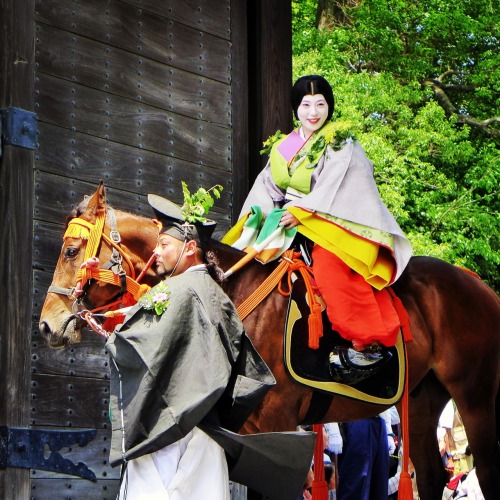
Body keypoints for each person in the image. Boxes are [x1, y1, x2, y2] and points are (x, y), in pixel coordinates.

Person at [105, 189, 316, 499]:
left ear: (190, 248)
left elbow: (146, 353)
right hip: (201, 437)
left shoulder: (184, 290)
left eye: (165, 245)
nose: (157, 253)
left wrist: (113, 336)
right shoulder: (212, 292)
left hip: (170, 438)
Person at [223, 75, 412, 384]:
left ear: (329, 107)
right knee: (244, 262)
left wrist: (304, 212)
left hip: (326, 223)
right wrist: (264, 214)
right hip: (284, 223)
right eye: (306, 104)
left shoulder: (341, 142)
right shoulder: (285, 146)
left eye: (320, 104)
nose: (313, 112)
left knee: (331, 268)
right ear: (295, 109)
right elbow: (267, 187)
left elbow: (343, 185)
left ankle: (368, 345)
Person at [336, 412, 394, 500]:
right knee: (355, 488)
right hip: (355, 418)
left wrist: (388, 429)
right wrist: (333, 429)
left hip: (380, 420)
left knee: (380, 489)